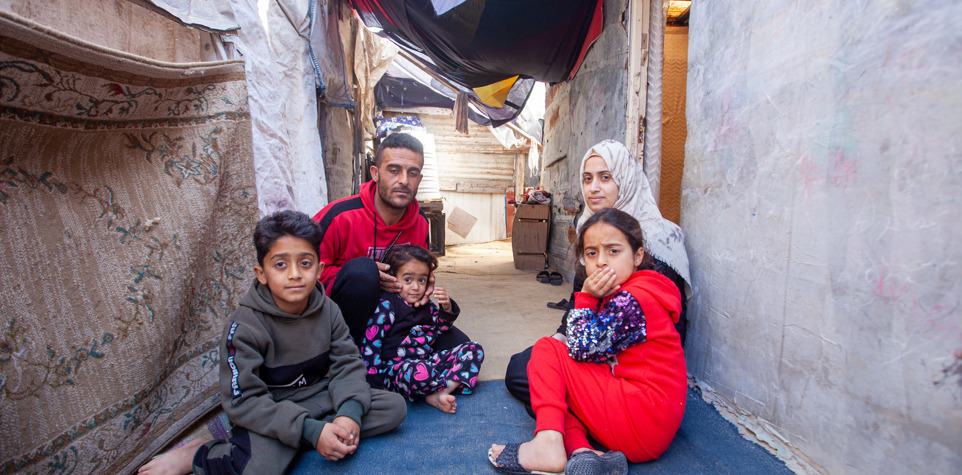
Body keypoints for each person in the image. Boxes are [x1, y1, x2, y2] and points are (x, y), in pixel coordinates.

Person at [138, 210, 406, 475]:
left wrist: (348, 414)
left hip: (317, 398)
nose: (294, 274)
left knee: (393, 408)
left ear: (319, 268)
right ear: (261, 273)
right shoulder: (243, 326)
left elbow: (347, 365)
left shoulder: (328, 310)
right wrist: (312, 431)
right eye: (280, 264)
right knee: (260, 468)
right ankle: (200, 453)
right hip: (271, 409)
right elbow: (243, 402)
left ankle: (307, 435)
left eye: (305, 263)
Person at [488, 208, 687, 474]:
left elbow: (581, 347)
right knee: (552, 391)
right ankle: (584, 452)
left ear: (638, 256)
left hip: (644, 418)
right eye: (592, 253)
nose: (601, 262)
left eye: (613, 251)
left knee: (548, 348)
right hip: (645, 424)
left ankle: (547, 444)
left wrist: (586, 297)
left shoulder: (636, 299)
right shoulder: (628, 291)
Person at [504, 139, 692, 416]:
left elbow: (675, 324)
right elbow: (578, 299)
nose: (594, 188)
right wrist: (561, 339)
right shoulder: (589, 228)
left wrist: (592, 352)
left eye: (606, 177)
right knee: (522, 366)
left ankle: (572, 410)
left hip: (631, 360)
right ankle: (576, 407)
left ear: (625, 180)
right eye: (587, 178)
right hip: (591, 340)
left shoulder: (657, 238)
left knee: (541, 379)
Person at [312, 132, 470, 357]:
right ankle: (348, 356)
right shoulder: (338, 216)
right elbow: (304, 277)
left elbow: (416, 270)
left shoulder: (420, 223)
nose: (404, 180)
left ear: (419, 179)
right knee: (363, 272)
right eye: (394, 170)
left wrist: (425, 280)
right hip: (341, 318)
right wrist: (365, 278)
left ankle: (389, 356)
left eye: (412, 173)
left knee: (461, 348)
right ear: (375, 173)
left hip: (395, 314)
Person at [359, 245, 484, 414]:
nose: (416, 287)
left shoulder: (426, 305)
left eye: (422, 280)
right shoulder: (387, 306)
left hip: (427, 362)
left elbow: (441, 328)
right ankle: (441, 385)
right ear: (392, 278)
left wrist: (446, 308)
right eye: (408, 280)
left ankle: (442, 391)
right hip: (398, 370)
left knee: (474, 349)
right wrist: (377, 387)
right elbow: (371, 346)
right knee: (420, 372)